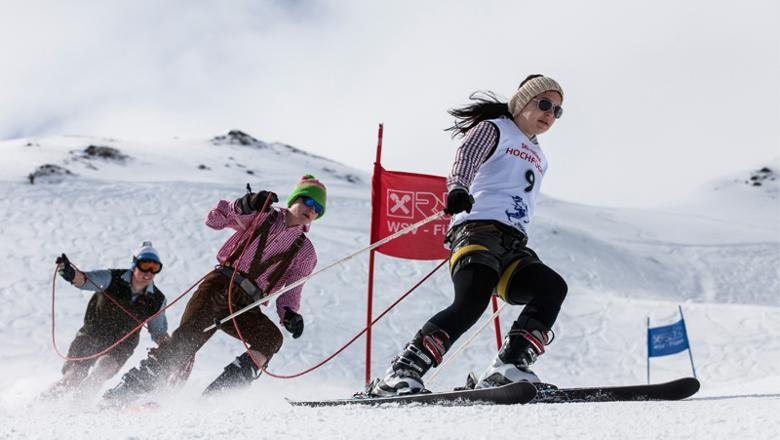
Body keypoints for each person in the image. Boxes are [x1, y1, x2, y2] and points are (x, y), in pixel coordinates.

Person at [370, 75, 569, 396]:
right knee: (471, 302)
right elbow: (467, 157)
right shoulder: (495, 129)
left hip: (513, 244)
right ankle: (402, 371)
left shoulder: (539, 154)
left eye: (557, 111)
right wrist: (458, 188)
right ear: (522, 102)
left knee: (551, 287)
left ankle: (508, 366)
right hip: (478, 231)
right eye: (544, 104)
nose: (550, 113)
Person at [103, 174, 326, 402]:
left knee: (270, 338)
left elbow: (291, 291)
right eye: (309, 201)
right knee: (184, 347)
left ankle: (217, 397)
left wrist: (290, 314)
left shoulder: (306, 252)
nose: (312, 210)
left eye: (318, 209)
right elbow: (214, 220)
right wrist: (245, 205)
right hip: (220, 285)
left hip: (248, 303)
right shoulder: (262, 214)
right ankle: (126, 392)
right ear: (295, 199)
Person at [43, 242, 169, 400]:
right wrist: (70, 273)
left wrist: (173, 348)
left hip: (121, 345)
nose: (149, 273)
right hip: (91, 336)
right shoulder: (112, 278)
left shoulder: (156, 299)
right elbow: (84, 280)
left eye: (155, 268)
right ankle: (39, 404)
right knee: (72, 378)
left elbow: (158, 332)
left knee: (101, 371)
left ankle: (77, 408)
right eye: (145, 265)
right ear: (134, 264)